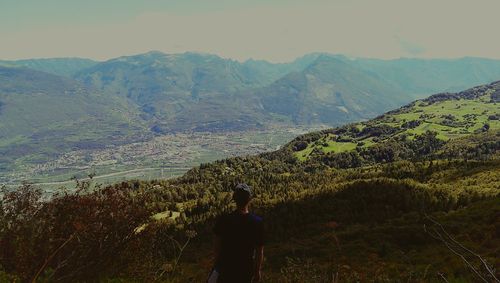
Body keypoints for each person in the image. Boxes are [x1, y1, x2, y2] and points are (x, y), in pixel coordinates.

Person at [211, 183, 264, 283]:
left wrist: (217, 267)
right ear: (249, 199)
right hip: (246, 270)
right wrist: (257, 272)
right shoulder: (257, 222)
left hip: (225, 268)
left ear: (234, 199)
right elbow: (259, 251)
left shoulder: (223, 220)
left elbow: (216, 247)